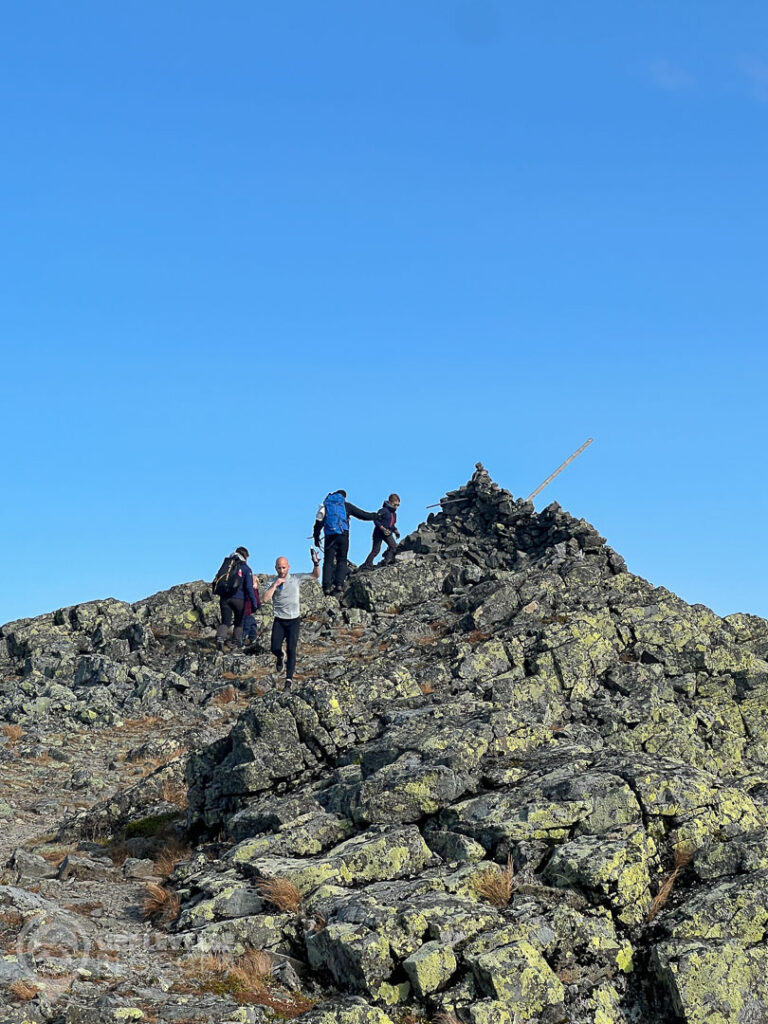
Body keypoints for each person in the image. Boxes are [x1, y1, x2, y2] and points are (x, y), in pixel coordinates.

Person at [262, 550, 321, 686]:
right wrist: (275, 585)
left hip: (294, 620)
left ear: (288, 567)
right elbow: (265, 599)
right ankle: (279, 656)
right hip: (279, 620)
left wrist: (316, 563)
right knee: (275, 647)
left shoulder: (296, 578)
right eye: (279, 567)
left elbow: (315, 576)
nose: (282, 570)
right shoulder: (272, 581)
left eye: (284, 567)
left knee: (291, 649)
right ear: (275, 568)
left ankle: (288, 680)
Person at [313, 490, 375, 596]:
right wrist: (376, 516)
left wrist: (316, 537)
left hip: (329, 536)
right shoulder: (345, 506)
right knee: (342, 560)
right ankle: (339, 585)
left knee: (328, 562)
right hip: (343, 535)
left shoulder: (326, 506)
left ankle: (326, 587)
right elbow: (362, 515)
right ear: (343, 497)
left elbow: (318, 523)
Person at [214, 547, 261, 652]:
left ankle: (220, 638)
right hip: (239, 599)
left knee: (225, 621)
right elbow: (249, 587)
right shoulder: (245, 568)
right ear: (245, 556)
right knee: (239, 622)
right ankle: (235, 643)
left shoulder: (227, 565)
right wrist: (254, 603)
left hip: (225, 598)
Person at [361, 494, 401, 569]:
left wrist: (395, 531)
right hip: (378, 533)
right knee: (376, 550)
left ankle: (387, 561)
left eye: (398, 505)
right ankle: (367, 564)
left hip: (387, 533)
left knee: (393, 546)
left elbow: (392, 525)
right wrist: (381, 527)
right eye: (395, 504)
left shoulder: (394, 514)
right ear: (390, 502)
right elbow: (376, 519)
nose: (396, 507)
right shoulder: (383, 510)